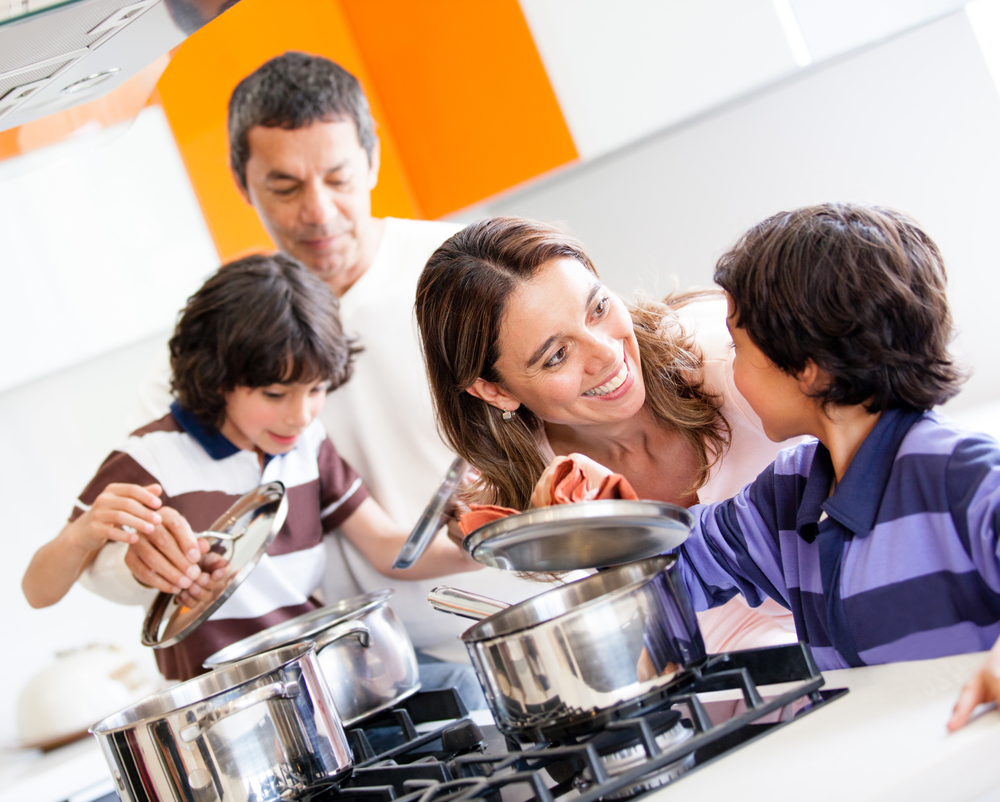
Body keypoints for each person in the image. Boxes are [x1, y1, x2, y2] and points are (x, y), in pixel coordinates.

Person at [125, 52, 542, 666]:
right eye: (285, 187)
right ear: (243, 184)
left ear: (372, 161)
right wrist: (142, 557)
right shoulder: (225, 336)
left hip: (524, 618)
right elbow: (147, 512)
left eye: (339, 178)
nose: (317, 212)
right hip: (364, 669)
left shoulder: (475, 277)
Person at [21, 254, 482, 686]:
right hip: (223, 702)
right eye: (275, 395)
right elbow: (37, 591)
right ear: (218, 377)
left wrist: (472, 545)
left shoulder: (309, 445)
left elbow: (387, 549)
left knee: (463, 683)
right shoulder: (152, 457)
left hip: (320, 679)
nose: (300, 415)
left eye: (316, 389)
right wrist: (81, 535)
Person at [644, 202, 998, 728]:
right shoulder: (786, 496)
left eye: (737, 346)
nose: (729, 372)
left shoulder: (962, 477)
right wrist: (600, 519)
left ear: (808, 369)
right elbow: (673, 567)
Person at [415, 217, 800, 652]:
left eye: (597, 308)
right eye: (557, 355)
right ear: (496, 390)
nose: (606, 353)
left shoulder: (728, 358)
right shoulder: (545, 489)